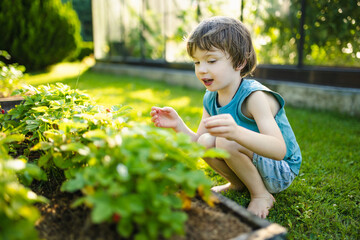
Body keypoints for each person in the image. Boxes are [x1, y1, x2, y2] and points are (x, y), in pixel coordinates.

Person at [150, 16, 301, 219]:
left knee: (226, 140)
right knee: (206, 140)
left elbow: (278, 150)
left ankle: (261, 195)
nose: (202, 69)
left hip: (281, 171)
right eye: (197, 62)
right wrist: (179, 125)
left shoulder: (254, 97)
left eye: (211, 60)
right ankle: (238, 184)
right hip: (253, 163)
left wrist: (236, 132)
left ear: (239, 62)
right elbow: (198, 144)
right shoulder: (211, 97)